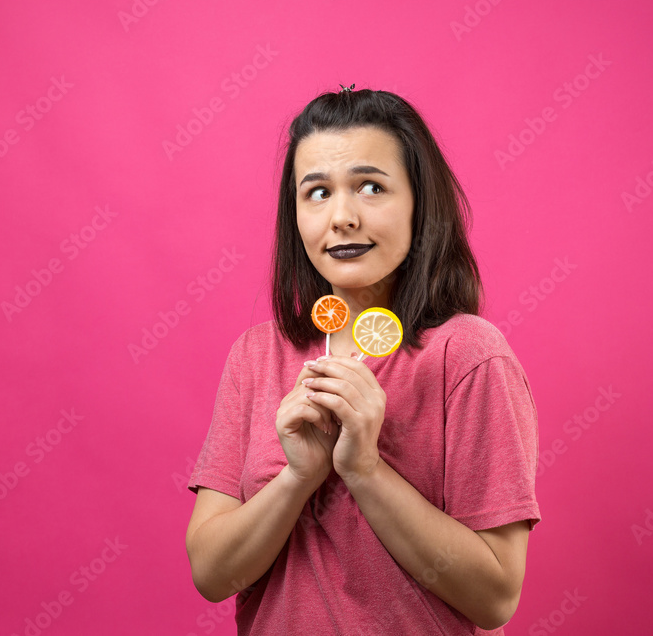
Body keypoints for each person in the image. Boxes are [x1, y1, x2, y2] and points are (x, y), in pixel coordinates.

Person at [185, 86, 541, 635]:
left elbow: (494, 597)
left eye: (371, 187)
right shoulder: (257, 356)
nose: (342, 217)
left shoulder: (469, 355)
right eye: (318, 193)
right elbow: (211, 574)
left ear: (420, 203)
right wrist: (298, 478)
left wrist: (365, 470)